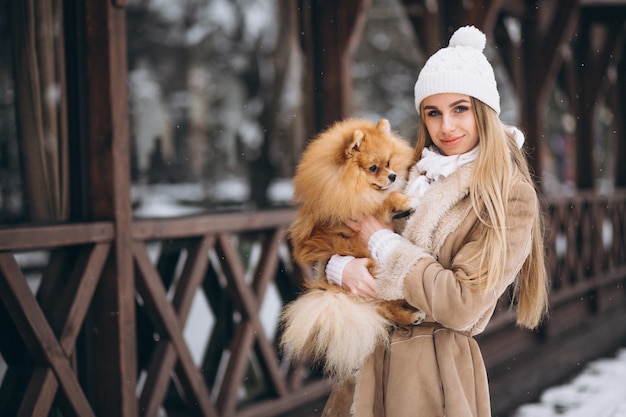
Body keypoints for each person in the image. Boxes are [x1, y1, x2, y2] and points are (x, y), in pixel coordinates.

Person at [321, 25, 549, 417]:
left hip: (433, 376)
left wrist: (384, 246)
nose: (446, 127)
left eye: (460, 108)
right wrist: (339, 266)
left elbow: (462, 305)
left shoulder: (508, 194)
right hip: (365, 364)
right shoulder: (405, 172)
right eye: (433, 112)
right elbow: (332, 234)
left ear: (484, 110)